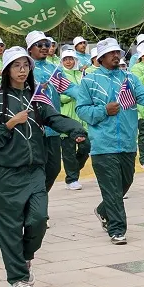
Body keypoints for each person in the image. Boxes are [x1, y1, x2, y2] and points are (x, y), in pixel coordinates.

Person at [0, 46, 85, 287]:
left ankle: (26, 257)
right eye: (16, 65)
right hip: (5, 174)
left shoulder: (36, 98)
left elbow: (54, 118)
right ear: (6, 70)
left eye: (25, 65)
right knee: (9, 229)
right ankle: (17, 279)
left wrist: (76, 129)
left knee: (38, 219)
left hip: (34, 171)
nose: (22, 70)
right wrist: (10, 123)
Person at [73, 38, 144, 243]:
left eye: (118, 53)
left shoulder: (129, 79)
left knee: (126, 181)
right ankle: (117, 229)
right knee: (113, 189)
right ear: (100, 57)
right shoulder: (89, 81)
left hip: (128, 143)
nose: (116, 56)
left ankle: (103, 210)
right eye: (111, 53)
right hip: (103, 145)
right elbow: (82, 110)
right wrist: (104, 110)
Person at [25, 30, 66, 192]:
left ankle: (38, 199)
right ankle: (35, 204)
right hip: (34, 129)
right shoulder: (24, 69)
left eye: (47, 44)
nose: (44, 48)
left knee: (54, 168)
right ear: (30, 50)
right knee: (35, 169)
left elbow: (69, 88)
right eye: (39, 45)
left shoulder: (54, 69)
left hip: (53, 129)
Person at [56, 46, 91, 188]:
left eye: (71, 59)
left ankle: (74, 171)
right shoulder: (59, 75)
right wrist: (72, 94)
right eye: (65, 59)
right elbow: (60, 96)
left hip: (82, 119)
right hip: (67, 118)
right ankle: (72, 179)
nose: (68, 62)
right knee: (69, 151)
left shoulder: (81, 74)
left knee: (86, 147)